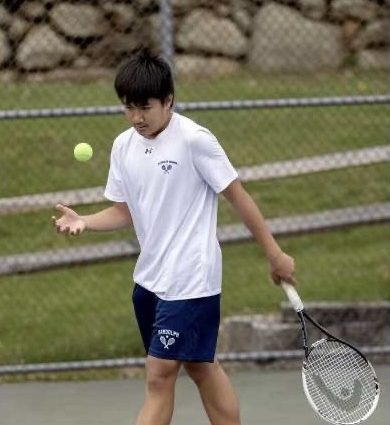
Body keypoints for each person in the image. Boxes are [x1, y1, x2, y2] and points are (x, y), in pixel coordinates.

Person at [52, 49, 295, 425]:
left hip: (191, 279)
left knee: (158, 376)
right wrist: (84, 220)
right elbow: (125, 210)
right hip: (149, 279)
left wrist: (275, 254)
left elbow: (238, 197)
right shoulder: (123, 146)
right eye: (128, 107)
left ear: (169, 101)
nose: (136, 117)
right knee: (201, 366)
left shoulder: (195, 140)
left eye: (145, 107)